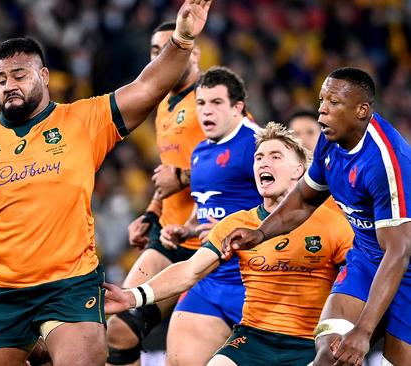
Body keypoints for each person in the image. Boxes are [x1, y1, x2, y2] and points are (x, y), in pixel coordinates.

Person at [0, 1, 213, 365]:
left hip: (69, 285)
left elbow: (147, 87)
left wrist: (182, 38)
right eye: (1, 79)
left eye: (19, 75)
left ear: (44, 76)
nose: (9, 86)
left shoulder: (82, 121)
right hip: (0, 290)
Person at [103, 122, 355, 366]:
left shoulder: (334, 222)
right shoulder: (237, 224)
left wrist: (356, 333)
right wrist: (131, 296)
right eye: (258, 158)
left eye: (276, 156)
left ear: (299, 170)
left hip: (309, 344)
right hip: (253, 340)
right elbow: (190, 271)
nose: (263, 162)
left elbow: (361, 281)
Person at [222, 67, 411, 366]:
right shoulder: (330, 139)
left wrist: (363, 329)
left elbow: (399, 251)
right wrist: (260, 232)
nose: (321, 110)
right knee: (330, 355)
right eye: (322, 99)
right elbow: (304, 198)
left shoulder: (386, 161)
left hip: (404, 266)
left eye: (334, 102)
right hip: (366, 261)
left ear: (361, 110)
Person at [105, 21, 206, 366]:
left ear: (196, 55)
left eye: (173, 47)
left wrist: (184, 176)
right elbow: (167, 173)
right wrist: (150, 213)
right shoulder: (162, 105)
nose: (166, 56)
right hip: (168, 237)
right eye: (156, 51)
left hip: (211, 244)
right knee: (118, 331)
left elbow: (241, 166)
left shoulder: (214, 101)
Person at [157, 66, 261, 365]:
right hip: (211, 280)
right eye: (201, 103)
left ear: (238, 107)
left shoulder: (259, 145)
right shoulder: (201, 151)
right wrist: (187, 229)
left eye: (216, 103)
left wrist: (238, 227)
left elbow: (289, 207)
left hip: (257, 285)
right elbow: (207, 205)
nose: (206, 111)